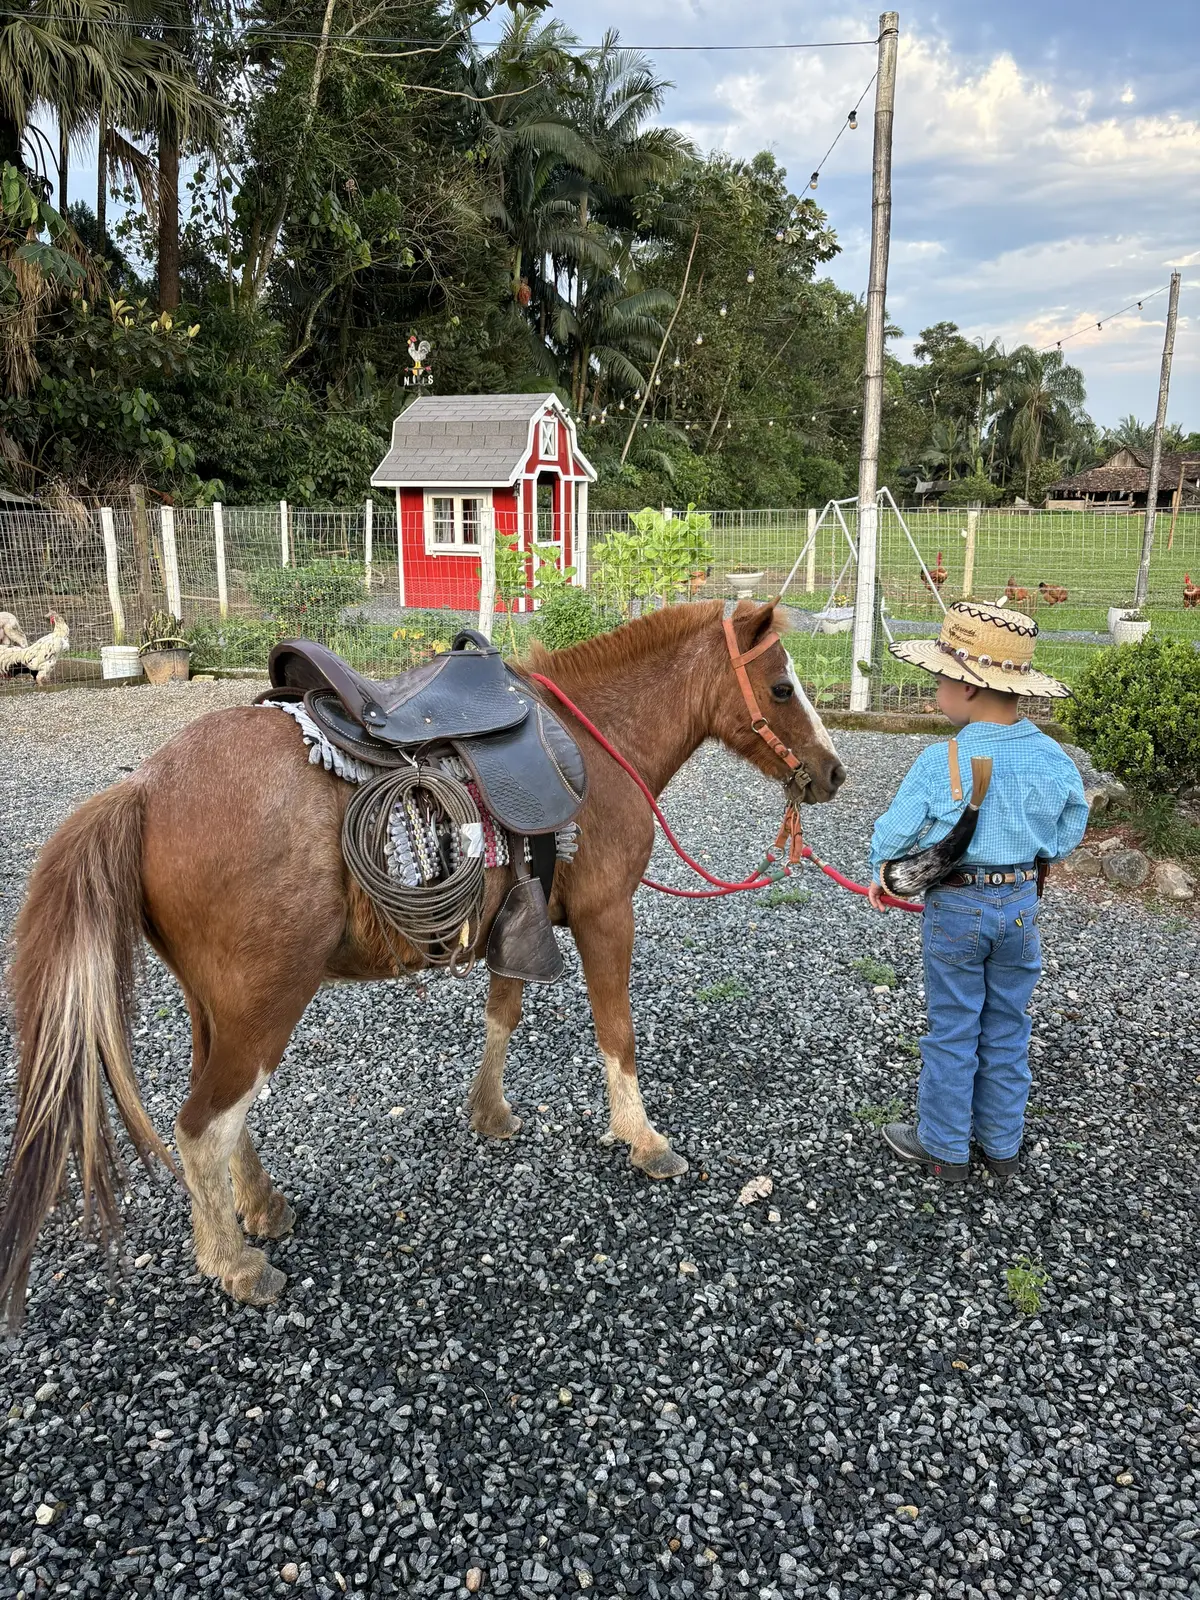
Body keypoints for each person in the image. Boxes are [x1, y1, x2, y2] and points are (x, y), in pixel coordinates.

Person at [867, 600, 1088, 1183]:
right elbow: (1070, 827)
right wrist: (1040, 854)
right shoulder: (1053, 758)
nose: (936, 686)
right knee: (1009, 1025)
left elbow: (892, 834)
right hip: (1019, 907)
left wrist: (882, 874)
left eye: (940, 676)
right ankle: (1002, 1147)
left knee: (954, 1026)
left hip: (955, 910)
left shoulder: (943, 759)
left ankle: (943, 1147)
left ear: (966, 688)